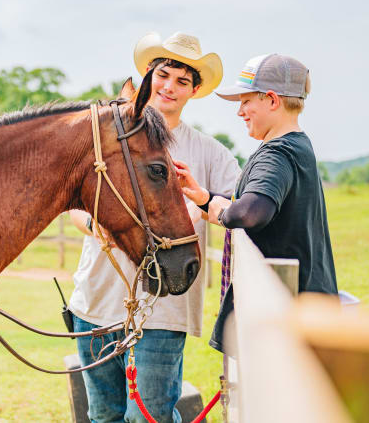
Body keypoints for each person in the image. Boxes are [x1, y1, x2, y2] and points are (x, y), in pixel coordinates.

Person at [68, 32, 241, 423]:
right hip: (96, 300)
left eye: (183, 81)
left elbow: (237, 209)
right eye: (163, 75)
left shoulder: (210, 153)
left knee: (150, 417)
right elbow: (74, 208)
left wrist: (199, 201)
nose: (170, 87)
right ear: (147, 76)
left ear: (195, 90)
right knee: (103, 415)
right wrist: (98, 225)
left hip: (164, 307)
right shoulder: (105, 137)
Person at [175, 54, 338, 352]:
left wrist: (227, 211)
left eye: (246, 101)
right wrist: (204, 197)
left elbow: (250, 213)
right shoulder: (298, 144)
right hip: (304, 312)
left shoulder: (277, 153)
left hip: (284, 320)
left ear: (273, 100)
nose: (240, 112)